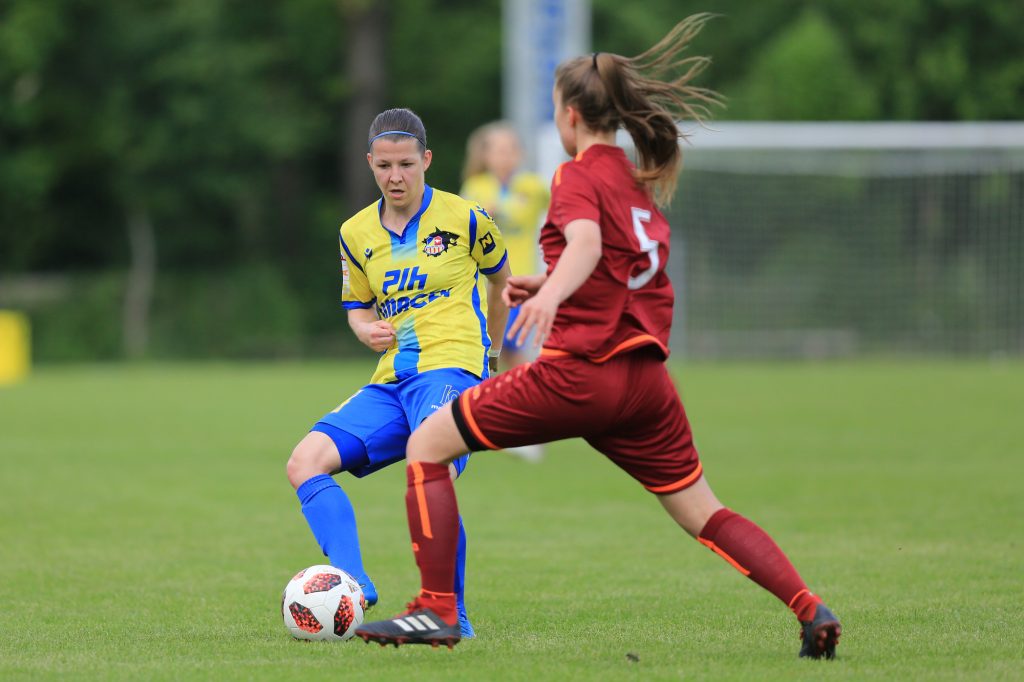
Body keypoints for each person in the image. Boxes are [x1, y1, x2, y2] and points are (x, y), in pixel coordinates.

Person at [355, 15, 842, 659]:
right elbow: (618, 267)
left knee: (427, 444)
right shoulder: (637, 181)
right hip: (647, 384)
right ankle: (810, 608)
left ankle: (436, 610)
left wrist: (552, 296)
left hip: (581, 373)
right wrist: (549, 280)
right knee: (702, 510)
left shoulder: (576, 174)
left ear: (571, 115)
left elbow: (585, 244)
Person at [286, 107, 510, 639]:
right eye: (384, 166)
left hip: (451, 370)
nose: (395, 176)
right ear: (369, 162)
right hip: (392, 380)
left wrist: (493, 357)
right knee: (305, 462)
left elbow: (503, 283)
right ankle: (353, 584)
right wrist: (365, 330)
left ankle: (451, 613)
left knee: (430, 468)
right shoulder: (354, 232)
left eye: (406, 164)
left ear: (426, 160)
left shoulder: (467, 217)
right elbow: (358, 308)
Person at [460, 121, 550, 461]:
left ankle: (528, 426)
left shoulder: (532, 186)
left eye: (511, 149)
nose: (505, 156)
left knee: (511, 354)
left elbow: (556, 208)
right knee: (492, 356)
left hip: (520, 285)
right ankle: (502, 421)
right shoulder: (475, 187)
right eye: (498, 150)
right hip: (484, 287)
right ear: (485, 155)